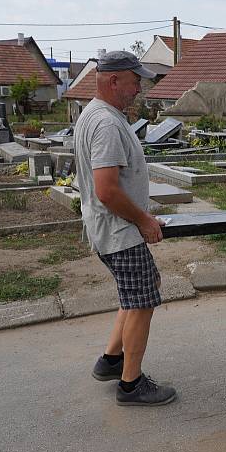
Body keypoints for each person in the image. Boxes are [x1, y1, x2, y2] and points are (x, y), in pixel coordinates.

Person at [74, 50, 177, 406]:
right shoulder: (106, 123)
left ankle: (111, 360)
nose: (140, 89)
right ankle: (131, 384)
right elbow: (107, 190)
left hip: (112, 230)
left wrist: (143, 218)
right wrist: (144, 220)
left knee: (136, 293)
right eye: (136, 81)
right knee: (143, 300)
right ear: (114, 80)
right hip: (120, 232)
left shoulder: (96, 114)